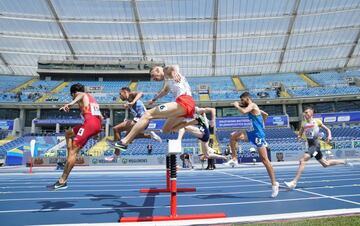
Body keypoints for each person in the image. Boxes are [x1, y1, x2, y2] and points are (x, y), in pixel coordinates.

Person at [113, 65, 195, 150]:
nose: (153, 78)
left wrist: (175, 71)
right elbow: (165, 91)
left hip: (184, 101)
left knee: (147, 114)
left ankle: (124, 142)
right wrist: (154, 99)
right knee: (166, 129)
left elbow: (174, 66)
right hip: (186, 107)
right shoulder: (168, 81)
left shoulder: (166, 71)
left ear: (158, 70)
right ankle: (196, 121)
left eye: (153, 75)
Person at [47, 83, 103, 190]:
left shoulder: (82, 94)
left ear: (73, 93)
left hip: (89, 124)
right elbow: (101, 117)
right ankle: (69, 157)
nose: (74, 98)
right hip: (94, 124)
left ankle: (62, 181)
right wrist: (97, 131)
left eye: (72, 96)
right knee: (68, 133)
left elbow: (80, 95)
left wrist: (70, 103)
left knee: (73, 151)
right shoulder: (93, 100)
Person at [224, 92, 279, 198]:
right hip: (250, 133)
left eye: (242, 100)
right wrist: (263, 121)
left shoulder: (253, 105)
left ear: (248, 98)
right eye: (240, 101)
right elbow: (265, 114)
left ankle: (274, 184)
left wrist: (236, 105)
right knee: (233, 136)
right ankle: (234, 159)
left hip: (258, 135)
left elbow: (244, 111)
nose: (241, 102)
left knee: (264, 160)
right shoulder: (253, 107)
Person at [284, 106, 352, 190]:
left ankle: (293, 183)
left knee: (302, 160)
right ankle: (344, 161)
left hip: (315, 146)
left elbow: (327, 129)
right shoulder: (304, 123)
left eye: (306, 112)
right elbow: (300, 132)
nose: (304, 114)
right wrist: (299, 136)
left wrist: (329, 136)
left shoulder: (317, 121)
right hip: (312, 148)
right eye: (304, 112)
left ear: (311, 113)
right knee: (325, 164)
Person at [110, 87, 161, 155]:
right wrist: (128, 105)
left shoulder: (131, 95)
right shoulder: (128, 100)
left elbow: (141, 93)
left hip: (143, 120)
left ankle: (116, 152)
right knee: (128, 138)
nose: (120, 96)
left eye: (120, 93)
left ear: (125, 92)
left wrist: (133, 102)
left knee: (116, 129)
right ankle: (149, 135)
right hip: (139, 120)